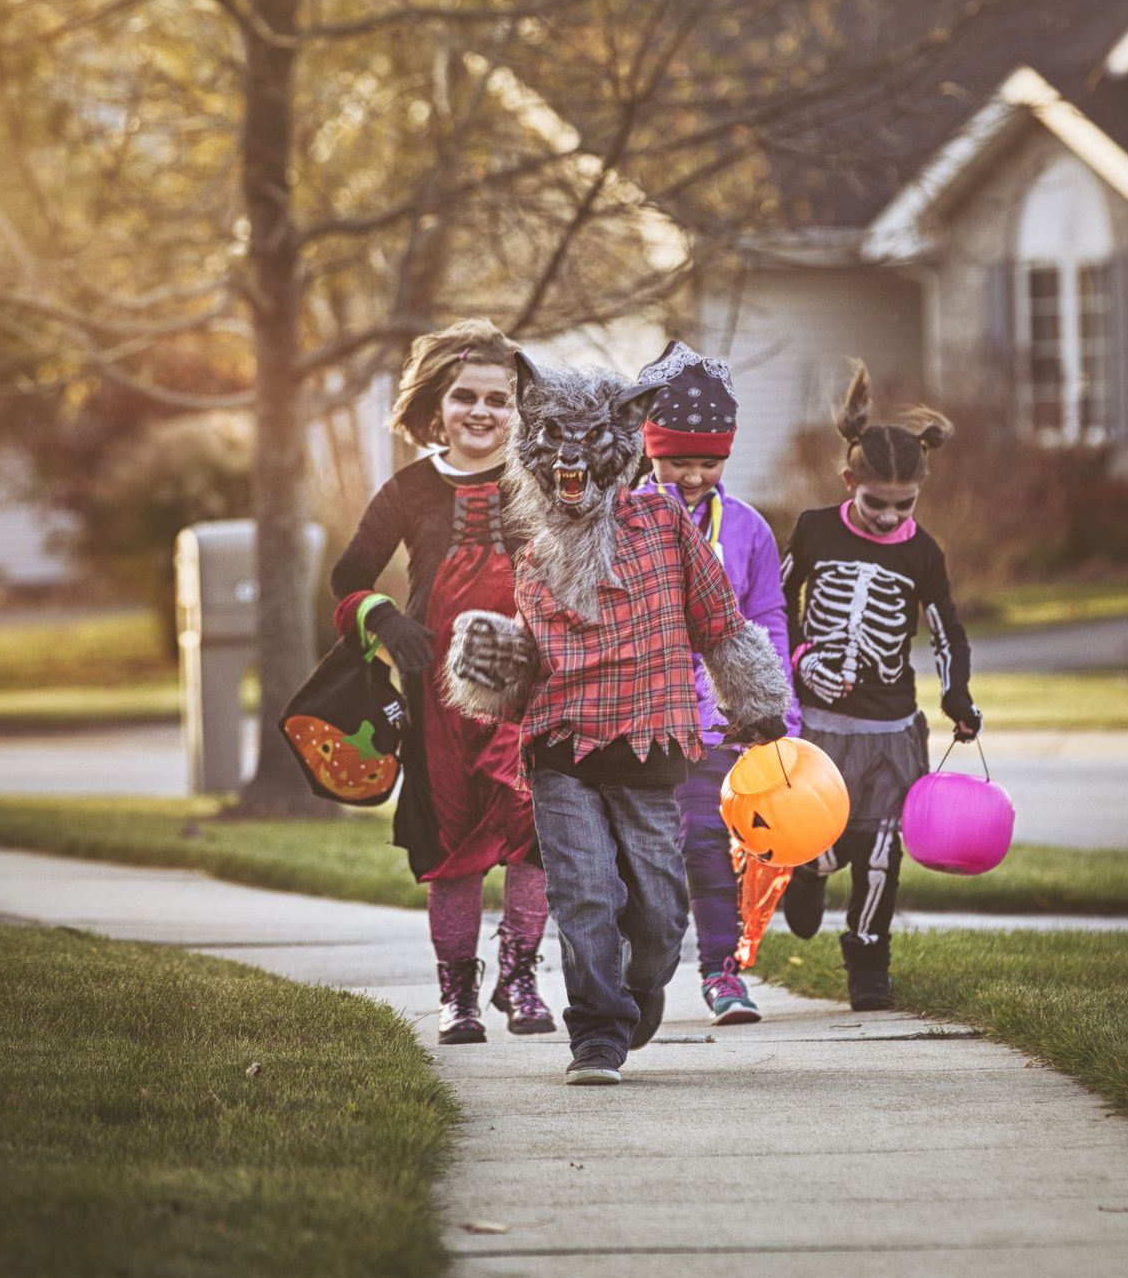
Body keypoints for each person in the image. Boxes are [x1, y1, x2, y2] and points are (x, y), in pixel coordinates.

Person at [443, 354, 792, 1086]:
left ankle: (638, 990)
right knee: (586, 895)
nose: (571, 464)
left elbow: (721, 622)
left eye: (588, 446)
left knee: (661, 917)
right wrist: (492, 663)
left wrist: (757, 707)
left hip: (652, 747)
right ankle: (596, 1035)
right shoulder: (535, 551)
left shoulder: (663, 522)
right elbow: (530, 667)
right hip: (562, 752)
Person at [328, 320, 553, 1047]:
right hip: (436, 699)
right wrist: (383, 618)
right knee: (449, 843)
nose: (482, 412)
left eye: (499, 399)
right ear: (437, 406)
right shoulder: (409, 490)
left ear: (519, 410)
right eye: (465, 398)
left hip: (529, 688)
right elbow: (347, 578)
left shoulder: (542, 479)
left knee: (533, 833)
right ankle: (457, 993)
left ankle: (521, 975)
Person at [778, 363, 981, 1011]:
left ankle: (868, 956)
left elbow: (946, 629)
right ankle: (806, 873)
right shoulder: (814, 529)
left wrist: (958, 697)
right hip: (819, 725)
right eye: (876, 503)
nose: (891, 517)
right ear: (849, 482)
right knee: (820, 838)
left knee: (880, 850)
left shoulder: (922, 552)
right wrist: (799, 660)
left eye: (905, 505)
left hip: (891, 730)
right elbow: (774, 606)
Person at [631, 340, 797, 1025]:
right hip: (635, 722)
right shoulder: (623, 518)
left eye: (708, 461)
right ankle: (635, 976)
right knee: (640, 861)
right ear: (649, 451)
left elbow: (767, 621)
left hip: (713, 725)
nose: (694, 475)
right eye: (678, 460)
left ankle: (721, 973)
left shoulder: (749, 530)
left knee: (706, 843)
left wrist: (775, 714)